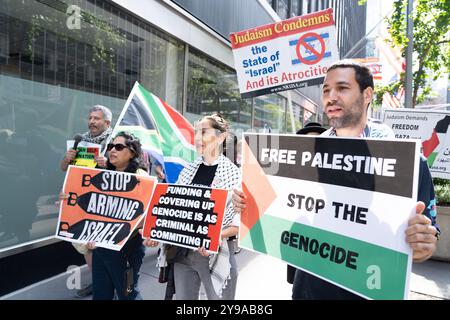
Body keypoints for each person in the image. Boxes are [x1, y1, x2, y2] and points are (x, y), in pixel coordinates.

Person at [232, 60, 440, 300]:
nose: (331, 96)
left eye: (342, 88)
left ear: (367, 94)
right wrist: (249, 205)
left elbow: (425, 241)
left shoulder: (410, 164)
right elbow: (278, 215)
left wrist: (423, 243)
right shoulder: (300, 156)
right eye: (326, 90)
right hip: (306, 292)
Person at [144, 113, 241, 300]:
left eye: (203, 132)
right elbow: (173, 210)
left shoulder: (234, 175)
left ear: (221, 137)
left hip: (217, 254)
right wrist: (155, 232)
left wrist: (214, 237)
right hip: (183, 254)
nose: (197, 138)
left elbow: (240, 223)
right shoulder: (188, 170)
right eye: (196, 133)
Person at [60, 104, 113, 298]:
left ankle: (116, 284)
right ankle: (97, 281)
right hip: (84, 201)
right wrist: (67, 159)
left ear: (107, 122)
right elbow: (65, 169)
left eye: (96, 118)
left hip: (106, 203)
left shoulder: (116, 142)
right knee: (85, 244)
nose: (91, 122)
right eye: (90, 118)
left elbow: (130, 173)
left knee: (105, 245)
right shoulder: (81, 141)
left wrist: (107, 165)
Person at [88, 131, 148, 300]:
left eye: (119, 147)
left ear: (132, 153)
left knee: (128, 293)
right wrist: (68, 199)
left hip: (127, 248)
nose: (112, 150)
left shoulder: (141, 177)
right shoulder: (100, 174)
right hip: (101, 247)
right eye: (111, 146)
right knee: (101, 294)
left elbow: (146, 214)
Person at [286, 122, 327, 285]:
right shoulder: (290, 174)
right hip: (298, 247)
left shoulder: (335, 176)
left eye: (317, 142)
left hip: (326, 254)